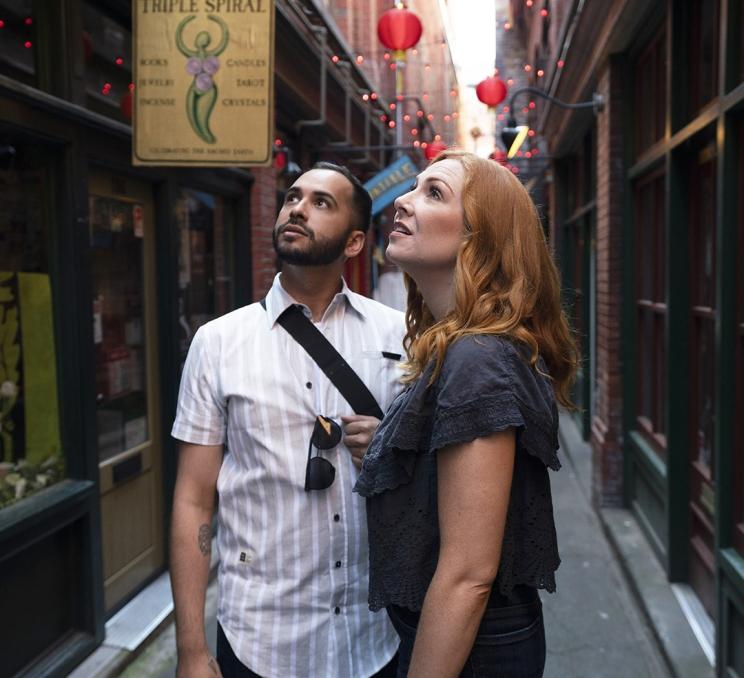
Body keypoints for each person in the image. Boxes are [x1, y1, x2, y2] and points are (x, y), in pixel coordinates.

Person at [170, 162, 405, 678]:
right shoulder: (218, 342)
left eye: (322, 203)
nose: (297, 207)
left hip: (374, 636)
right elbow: (192, 499)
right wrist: (191, 649)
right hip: (260, 639)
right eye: (292, 197)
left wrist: (393, 450)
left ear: (354, 242)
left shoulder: (401, 336)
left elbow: (441, 476)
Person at [355, 150, 578, 677]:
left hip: (475, 651)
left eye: (434, 193)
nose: (403, 203)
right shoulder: (461, 348)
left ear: (480, 238)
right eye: (413, 188)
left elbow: (468, 574)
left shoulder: (478, 357)